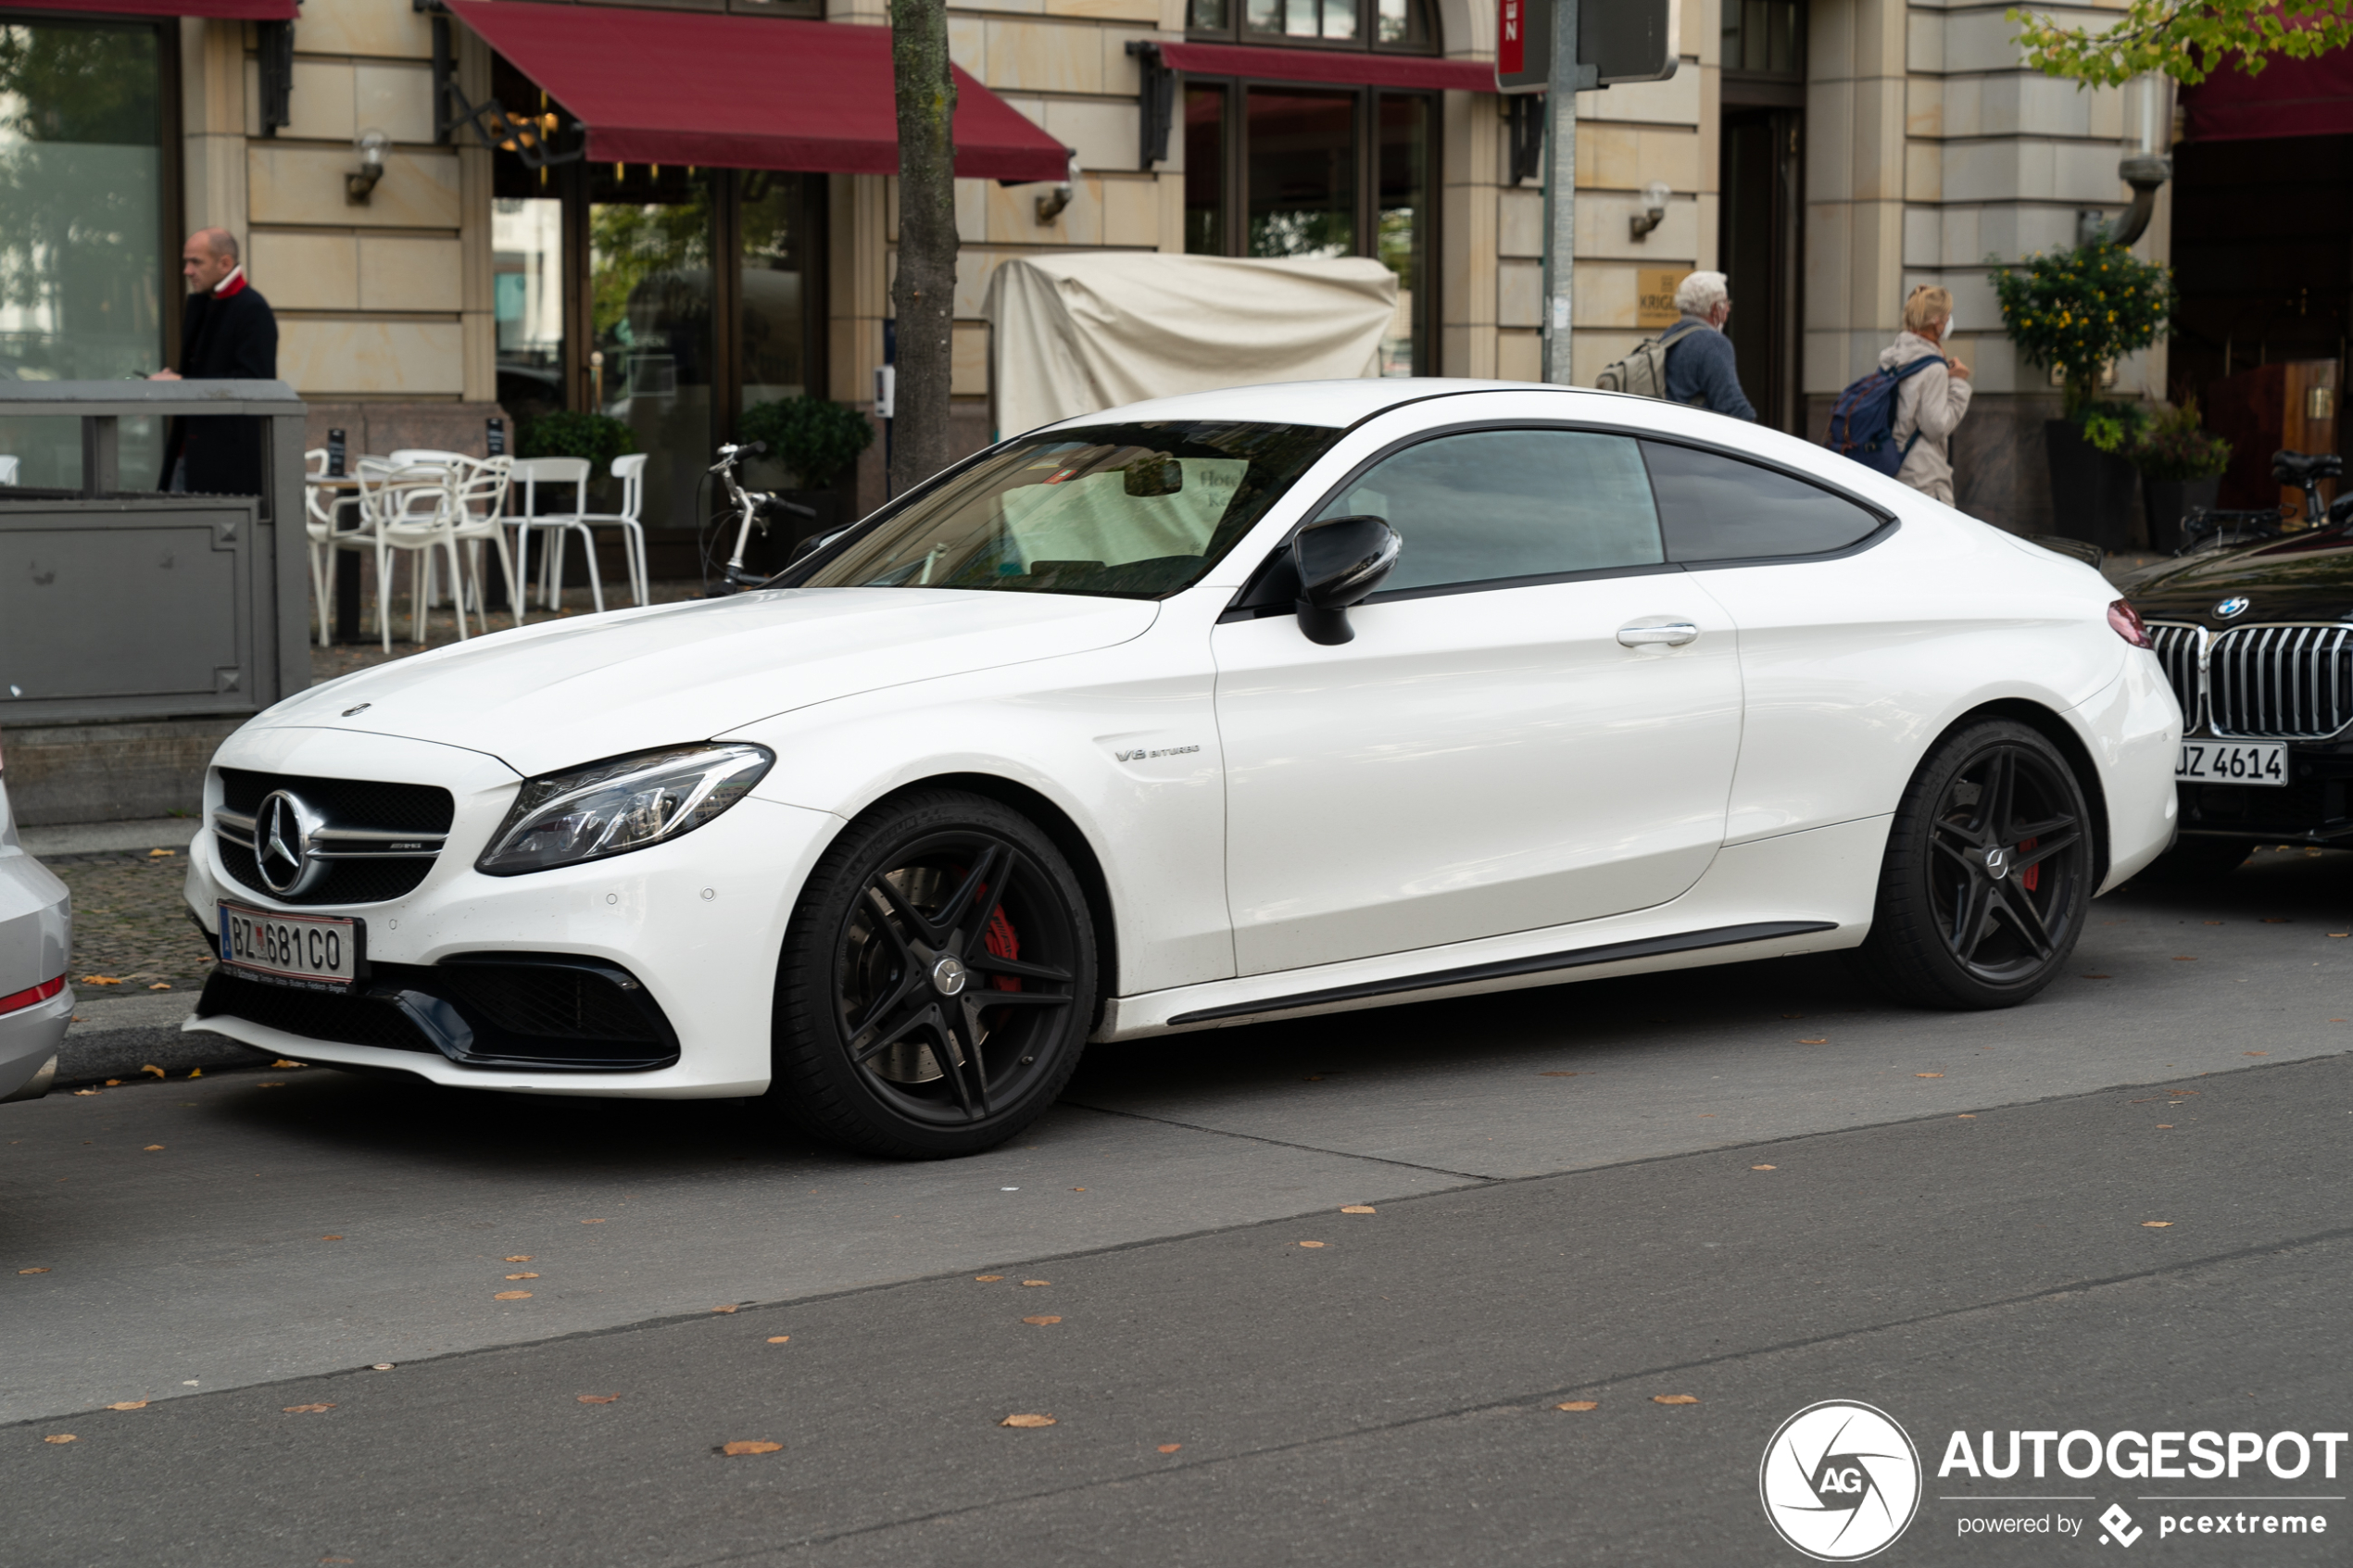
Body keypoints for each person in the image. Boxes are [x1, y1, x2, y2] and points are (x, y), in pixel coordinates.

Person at [152, 227, 278, 495]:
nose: (187, 270)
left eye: (195, 262)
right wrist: (174, 379)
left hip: (226, 465)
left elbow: (255, 384)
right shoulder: (207, 302)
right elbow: (209, 371)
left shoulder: (252, 309)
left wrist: (182, 382)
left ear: (225, 263)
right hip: (192, 452)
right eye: (187, 261)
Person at [1880, 284, 1972, 504]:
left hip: (1892, 464)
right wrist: (1958, 383)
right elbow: (1935, 428)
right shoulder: (1933, 368)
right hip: (1923, 477)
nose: (1950, 320)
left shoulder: (1892, 357)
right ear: (1936, 321)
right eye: (1947, 315)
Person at [1661, 270, 1755, 421]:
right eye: (1725, 303)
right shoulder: (1713, 343)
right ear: (1714, 309)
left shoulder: (1668, 337)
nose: (1728, 309)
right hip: (1693, 439)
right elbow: (1733, 407)